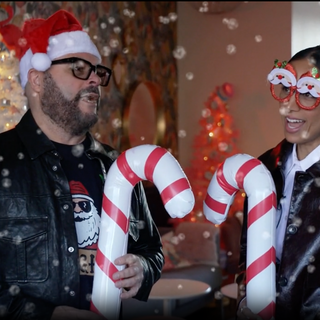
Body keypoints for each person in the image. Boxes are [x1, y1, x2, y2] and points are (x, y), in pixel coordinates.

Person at [0, 9, 164, 320]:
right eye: (78, 68)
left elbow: (151, 250)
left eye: (97, 71)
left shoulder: (119, 166)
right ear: (36, 79)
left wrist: (142, 270)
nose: (94, 80)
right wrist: (47, 315)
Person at [236, 45, 320, 320]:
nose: (289, 105)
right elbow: (248, 252)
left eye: (307, 92)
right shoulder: (263, 169)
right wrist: (245, 299)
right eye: (287, 88)